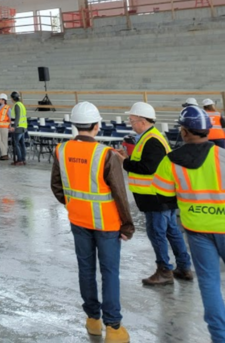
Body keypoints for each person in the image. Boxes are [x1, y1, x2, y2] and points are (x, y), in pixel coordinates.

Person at [51, 102, 134, 343]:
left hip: (78, 221)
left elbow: (57, 187)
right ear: (97, 126)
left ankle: (93, 321)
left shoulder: (62, 150)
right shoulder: (105, 154)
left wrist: (75, 205)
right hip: (107, 224)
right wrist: (127, 225)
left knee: (86, 270)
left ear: (75, 126)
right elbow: (119, 193)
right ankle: (114, 328)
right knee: (109, 273)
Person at [153, 105, 225, 343]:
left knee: (210, 284)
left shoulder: (170, 161)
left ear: (183, 132)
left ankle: (220, 337)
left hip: (197, 231)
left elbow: (162, 194)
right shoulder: (222, 156)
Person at [116, 101, 193, 286]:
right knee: (171, 231)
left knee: (157, 233)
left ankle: (164, 270)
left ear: (142, 121)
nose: (131, 123)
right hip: (159, 196)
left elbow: (148, 167)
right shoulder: (149, 137)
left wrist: (124, 161)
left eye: (132, 120)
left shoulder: (152, 140)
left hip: (156, 197)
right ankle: (183, 267)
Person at [10, 91, 28, 166]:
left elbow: (17, 117)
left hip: (18, 127)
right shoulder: (21, 105)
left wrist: (14, 126)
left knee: (16, 144)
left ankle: (20, 160)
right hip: (23, 126)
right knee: (22, 144)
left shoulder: (17, 105)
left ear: (13, 98)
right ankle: (23, 159)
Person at [0, 94, 11, 161]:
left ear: (3, 100)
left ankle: (4, 155)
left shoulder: (7, 108)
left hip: (4, 127)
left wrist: (10, 126)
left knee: (4, 141)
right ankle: (5, 154)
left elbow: (10, 118)